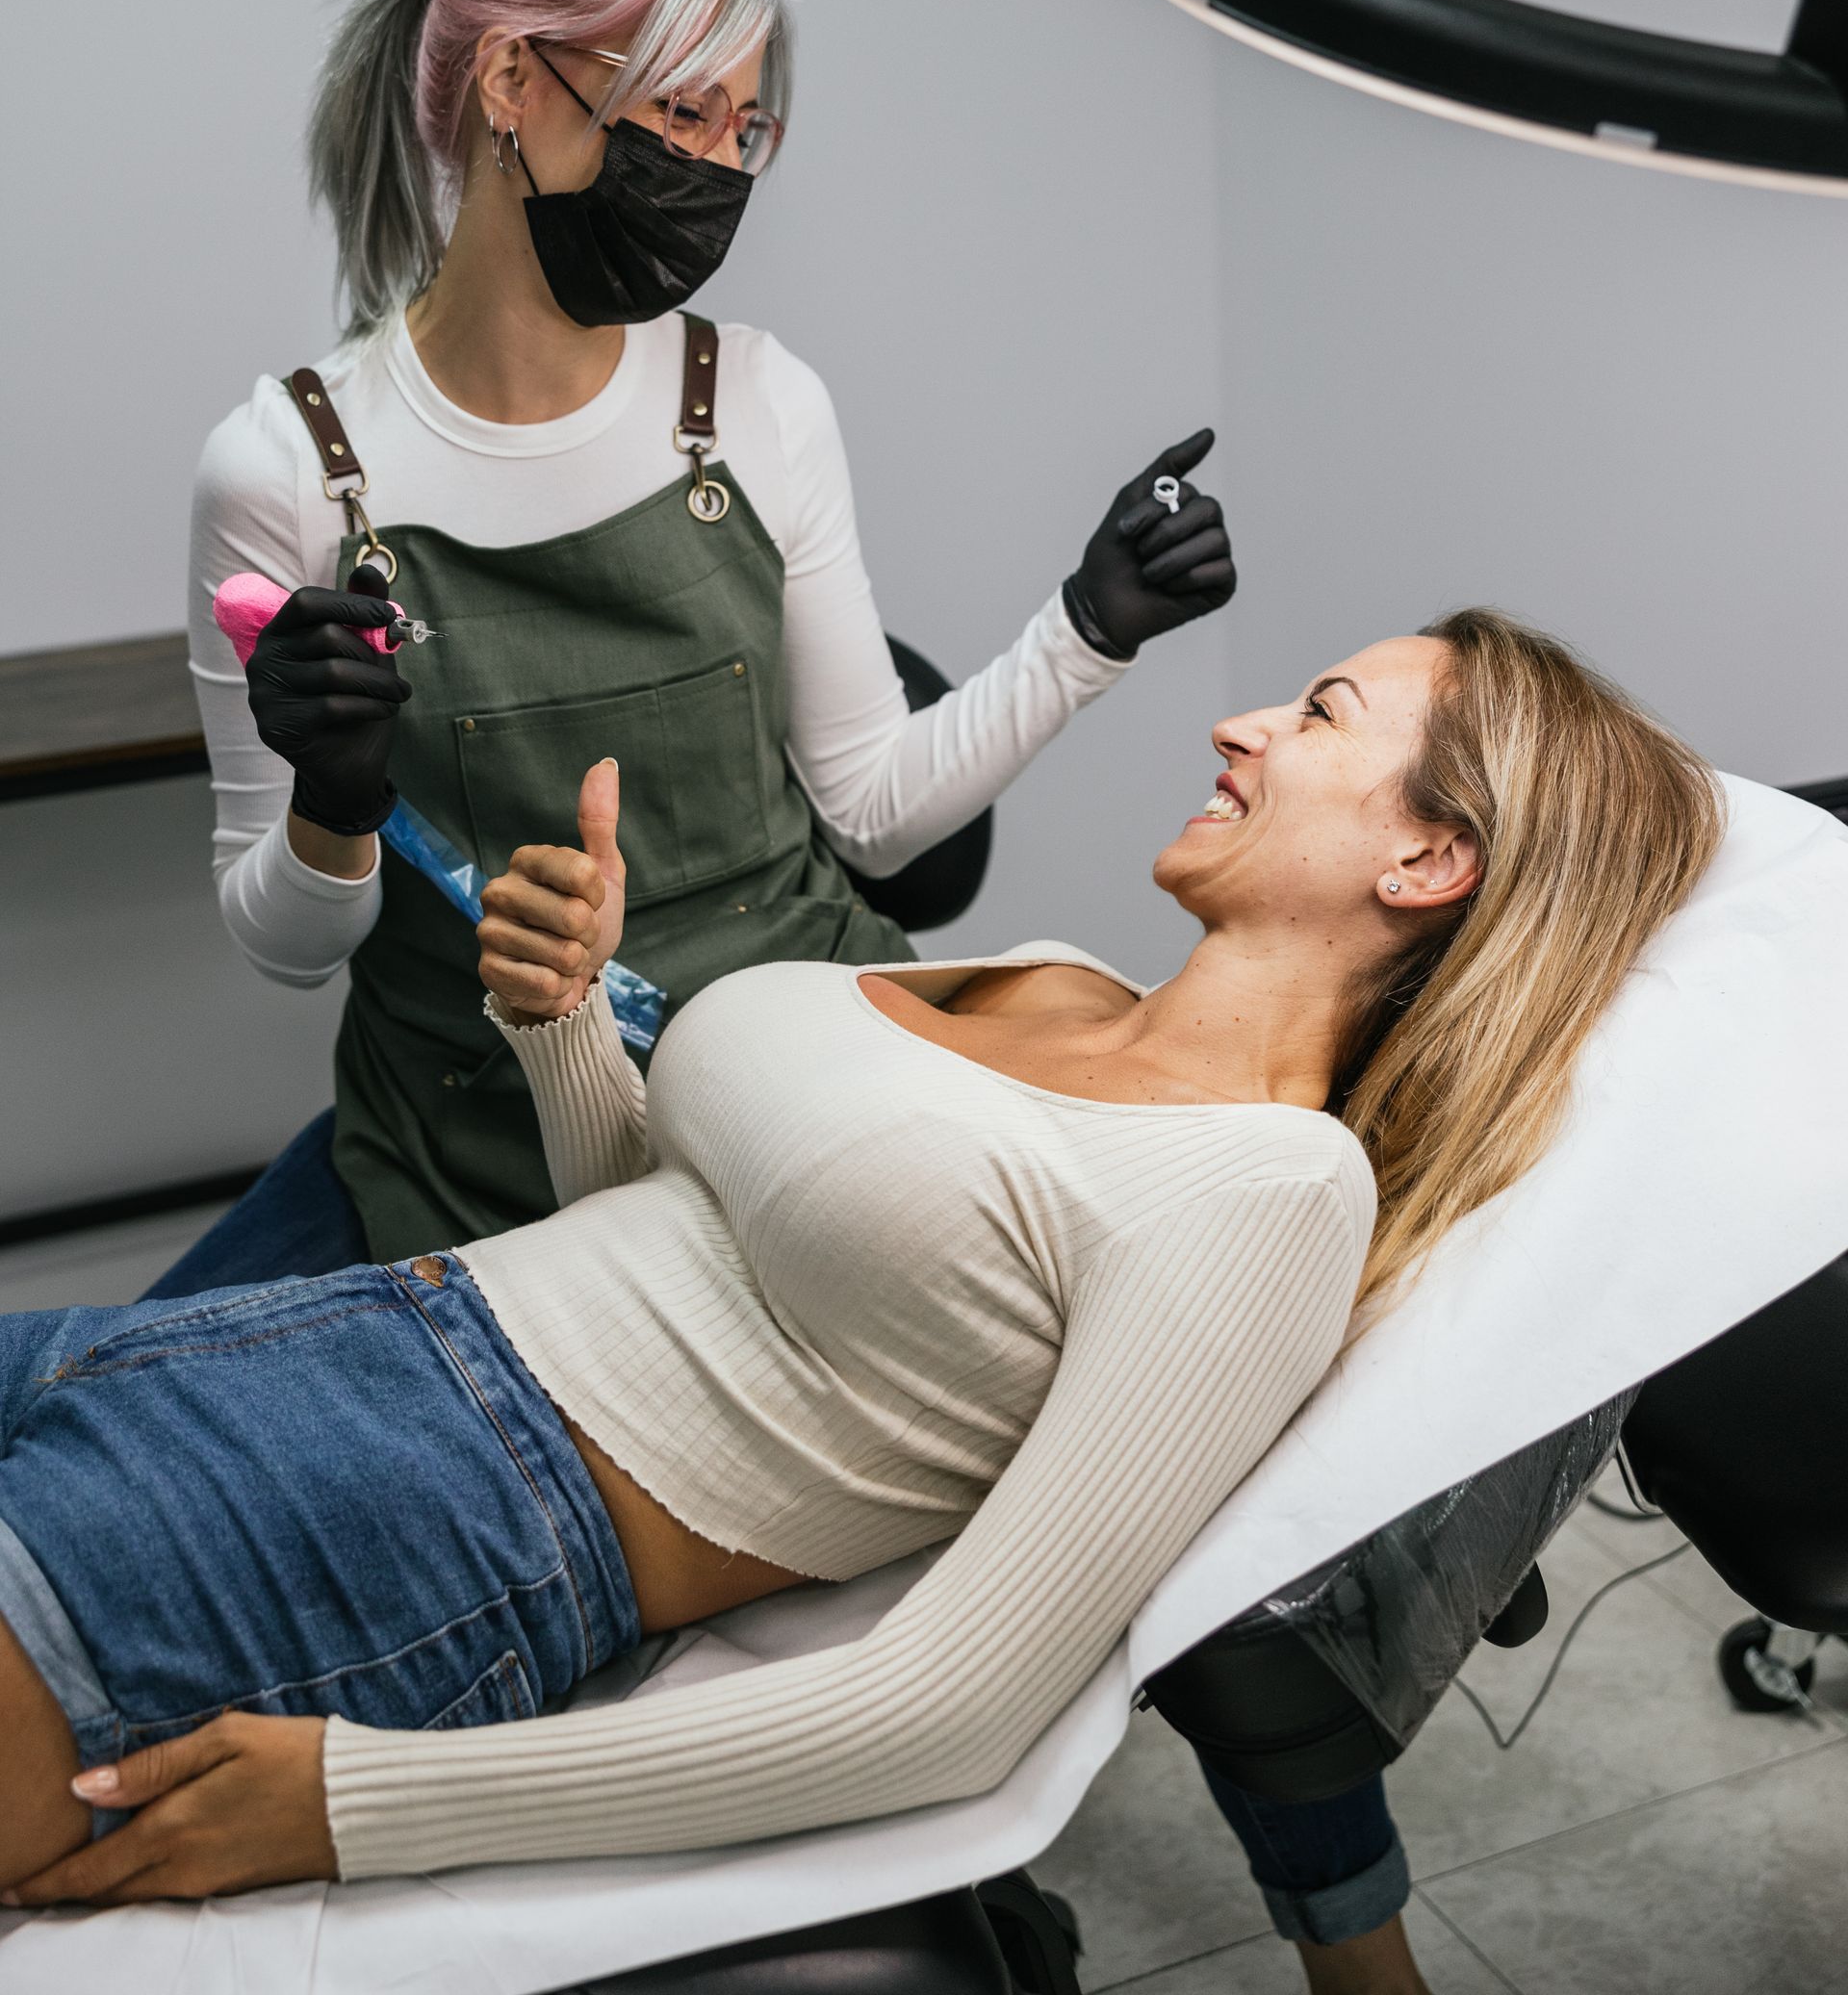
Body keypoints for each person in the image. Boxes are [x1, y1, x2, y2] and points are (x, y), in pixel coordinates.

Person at [0, 608, 1721, 1995]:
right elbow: (688, 1248)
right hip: (280, 1344)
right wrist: (563, 1020)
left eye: (1325, 714)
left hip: (405, 1503)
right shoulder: (1054, 978)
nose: (1243, 725)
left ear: (1427, 865)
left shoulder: (1271, 1192)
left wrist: (362, 1802)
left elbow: (952, 1711)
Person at [168, 0, 1234, 1284]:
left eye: (747, 128)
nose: (719, 170)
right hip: (488, 1153)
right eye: (681, 113)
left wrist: (1092, 626)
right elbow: (289, 949)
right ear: (510, 82)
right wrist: (333, 809)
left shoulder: (757, 405)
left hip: (814, 1060)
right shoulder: (289, 468)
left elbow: (876, 822)